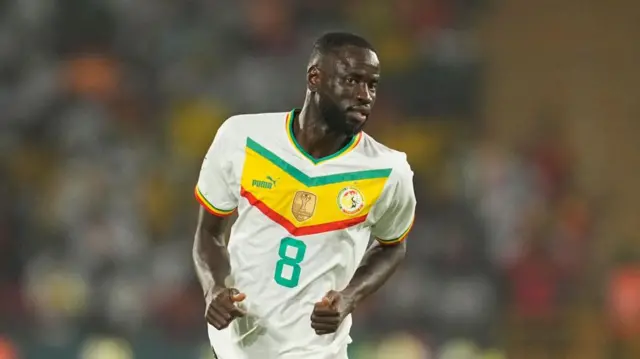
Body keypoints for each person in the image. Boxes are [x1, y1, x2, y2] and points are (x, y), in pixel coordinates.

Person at [193, 32, 417, 359]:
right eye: (352, 80)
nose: (364, 95)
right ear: (315, 77)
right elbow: (209, 232)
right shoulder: (242, 138)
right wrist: (213, 290)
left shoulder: (388, 171)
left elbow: (393, 245)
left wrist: (350, 297)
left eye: (372, 85)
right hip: (232, 348)